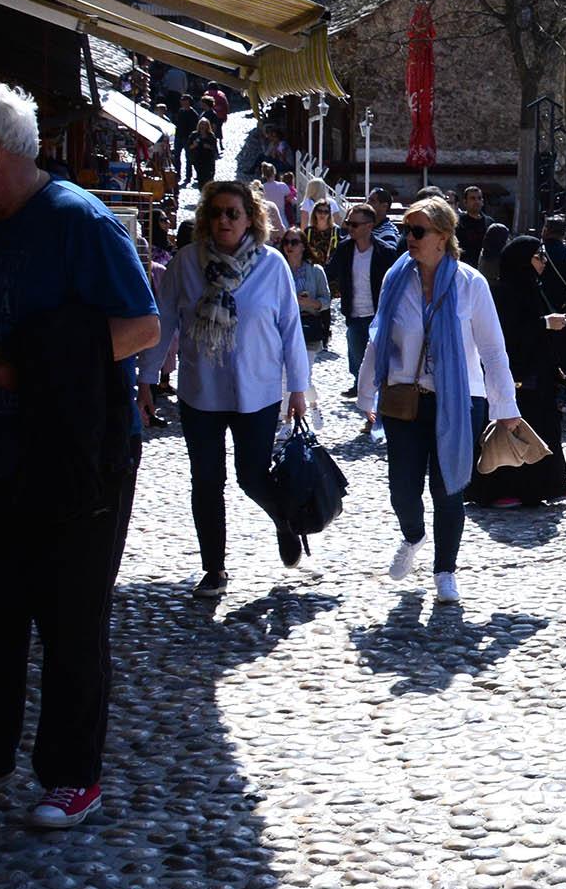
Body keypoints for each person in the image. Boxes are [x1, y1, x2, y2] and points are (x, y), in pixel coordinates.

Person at [0, 81, 162, 829]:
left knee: (69, 616)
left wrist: (37, 363)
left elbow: (143, 326)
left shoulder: (79, 220)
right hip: (2, 446)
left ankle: (71, 774)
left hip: (81, 451)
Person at [358, 195, 525, 604]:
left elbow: (492, 350)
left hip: (461, 400)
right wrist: (366, 390)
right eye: (405, 231)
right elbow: (379, 338)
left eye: (417, 231)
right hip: (404, 399)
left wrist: (506, 409)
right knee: (402, 488)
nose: (408, 238)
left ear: (442, 237)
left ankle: (445, 570)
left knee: (448, 488)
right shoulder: (396, 279)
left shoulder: (472, 284)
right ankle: (413, 536)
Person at [150, 180, 311, 597]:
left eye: (233, 213)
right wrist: (147, 381)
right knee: (206, 480)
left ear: (249, 219)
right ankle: (214, 568)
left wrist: (299, 387)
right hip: (201, 391)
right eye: (216, 212)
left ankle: (284, 519)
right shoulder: (185, 264)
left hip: (256, 392)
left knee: (251, 476)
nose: (224, 220)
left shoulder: (272, 265)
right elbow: (164, 323)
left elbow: (290, 328)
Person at [467, 237, 566, 508]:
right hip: (517, 377)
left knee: (542, 430)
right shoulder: (504, 292)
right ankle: (500, 491)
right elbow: (508, 334)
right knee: (511, 433)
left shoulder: (532, 287)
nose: (543, 261)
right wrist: (544, 323)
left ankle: (550, 485)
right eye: (538, 256)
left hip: (536, 375)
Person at [329, 201, 399, 409]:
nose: (349, 228)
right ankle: (364, 395)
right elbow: (330, 273)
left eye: (354, 224)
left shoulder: (384, 252)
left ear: (369, 226)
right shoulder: (344, 249)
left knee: (379, 363)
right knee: (357, 358)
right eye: (348, 224)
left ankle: (377, 405)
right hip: (353, 314)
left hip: (378, 315)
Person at [278, 229, 333, 351]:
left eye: (294, 242)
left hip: (308, 326)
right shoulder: (276, 270)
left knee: (305, 369)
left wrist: (310, 303)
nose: (289, 246)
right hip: (283, 328)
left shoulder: (316, 271)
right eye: (286, 242)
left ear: (303, 246)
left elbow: (326, 300)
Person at [456, 185, 490, 267]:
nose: (477, 201)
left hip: (484, 267)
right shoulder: (458, 223)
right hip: (464, 267)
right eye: (472, 198)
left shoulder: (489, 222)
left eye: (479, 198)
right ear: (465, 202)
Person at [302, 199, 339, 267]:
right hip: (313, 268)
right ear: (315, 213)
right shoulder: (308, 231)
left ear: (329, 214)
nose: (322, 214)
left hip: (331, 269)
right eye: (319, 211)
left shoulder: (336, 231)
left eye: (326, 212)